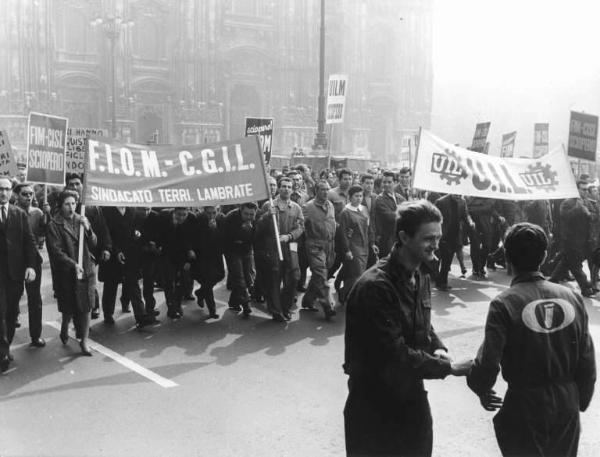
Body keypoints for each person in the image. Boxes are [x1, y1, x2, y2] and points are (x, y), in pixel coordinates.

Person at [343, 200, 473, 456]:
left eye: (438, 237)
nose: (436, 245)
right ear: (403, 236)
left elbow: (420, 319)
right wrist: (450, 368)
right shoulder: (376, 287)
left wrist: (438, 347)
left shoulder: (421, 273)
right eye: (428, 239)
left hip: (411, 397)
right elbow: (393, 354)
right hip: (374, 407)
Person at [467, 222, 596, 457]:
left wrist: (481, 388)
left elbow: (488, 361)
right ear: (544, 255)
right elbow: (587, 357)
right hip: (566, 403)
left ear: (507, 257)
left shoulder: (503, 303)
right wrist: (580, 400)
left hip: (525, 404)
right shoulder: (572, 297)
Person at [46, 190, 97, 356]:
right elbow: (56, 251)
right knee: (69, 305)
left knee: (87, 304)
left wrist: (88, 229)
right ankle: (65, 325)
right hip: (67, 272)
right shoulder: (54, 225)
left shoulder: (81, 219)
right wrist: (72, 264)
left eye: (73, 203)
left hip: (86, 269)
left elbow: (94, 242)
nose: (71, 207)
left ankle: (84, 340)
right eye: (67, 204)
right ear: (60, 205)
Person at [0, 177, 37, 372]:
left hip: (14, 273)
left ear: (11, 192)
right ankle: (3, 353)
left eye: (6, 189)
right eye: (0, 189)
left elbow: (29, 242)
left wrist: (30, 266)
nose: (3, 193)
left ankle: (5, 346)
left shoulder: (19, 214)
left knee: (12, 312)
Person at [255, 177, 304, 322]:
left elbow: (300, 227)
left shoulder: (296, 207)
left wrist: (289, 236)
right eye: (283, 186)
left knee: (294, 277)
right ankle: (276, 310)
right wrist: (267, 215)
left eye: (289, 187)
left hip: (290, 246)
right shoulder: (268, 205)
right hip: (273, 246)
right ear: (278, 188)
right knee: (274, 278)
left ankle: (286, 307)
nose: (286, 189)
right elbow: (258, 227)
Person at [14, 182, 48, 347]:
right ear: (16, 195)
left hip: (33, 261)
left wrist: (47, 217)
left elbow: (44, 233)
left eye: (31, 194)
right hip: (13, 262)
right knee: (11, 298)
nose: (28, 197)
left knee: (35, 299)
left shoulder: (38, 213)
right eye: (24, 194)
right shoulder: (9, 213)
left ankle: (36, 336)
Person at [549, 179, 594, 296]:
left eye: (586, 190)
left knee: (566, 262)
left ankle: (552, 280)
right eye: (583, 189)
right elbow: (565, 217)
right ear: (576, 189)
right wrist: (578, 209)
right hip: (570, 239)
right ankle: (586, 287)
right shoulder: (567, 202)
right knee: (575, 264)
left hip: (583, 239)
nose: (585, 192)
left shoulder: (587, 202)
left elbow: (594, 216)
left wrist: (588, 213)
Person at [301, 180, 337, 319]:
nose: (326, 192)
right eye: (323, 189)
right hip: (315, 245)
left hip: (329, 246)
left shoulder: (330, 205)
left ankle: (307, 300)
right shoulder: (308, 207)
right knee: (321, 275)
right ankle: (329, 306)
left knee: (319, 275)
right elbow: (300, 226)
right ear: (316, 191)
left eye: (328, 189)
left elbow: (332, 223)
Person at [338, 185, 376, 304]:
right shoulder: (345, 212)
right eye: (356, 196)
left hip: (364, 245)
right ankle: (344, 292)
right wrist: (347, 250)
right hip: (353, 245)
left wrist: (372, 243)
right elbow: (343, 233)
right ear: (350, 197)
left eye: (361, 196)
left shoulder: (364, 209)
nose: (359, 198)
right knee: (358, 274)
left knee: (358, 273)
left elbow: (369, 228)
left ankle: (347, 292)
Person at [221, 202, 258, 316]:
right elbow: (225, 238)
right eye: (246, 214)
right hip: (232, 251)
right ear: (240, 211)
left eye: (251, 215)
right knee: (239, 277)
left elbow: (257, 238)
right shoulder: (230, 217)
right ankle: (246, 304)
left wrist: (251, 231)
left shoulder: (257, 219)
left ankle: (233, 302)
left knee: (248, 277)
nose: (249, 217)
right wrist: (241, 231)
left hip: (247, 250)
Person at [191, 206, 224, 319]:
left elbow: (225, 236)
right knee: (207, 280)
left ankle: (200, 293)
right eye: (208, 213)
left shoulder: (221, 219)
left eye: (214, 213)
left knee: (220, 275)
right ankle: (212, 310)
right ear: (203, 212)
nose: (211, 216)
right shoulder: (198, 220)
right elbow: (196, 239)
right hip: (203, 255)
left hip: (216, 254)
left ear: (218, 211)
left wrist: (215, 230)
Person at [373, 170, 406, 257]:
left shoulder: (400, 198)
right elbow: (390, 217)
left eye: (389, 182)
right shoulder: (380, 199)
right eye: (384, 182)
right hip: (387, 239)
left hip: (400, 238)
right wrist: (406, 214)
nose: (386, 184)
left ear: (395, 182)